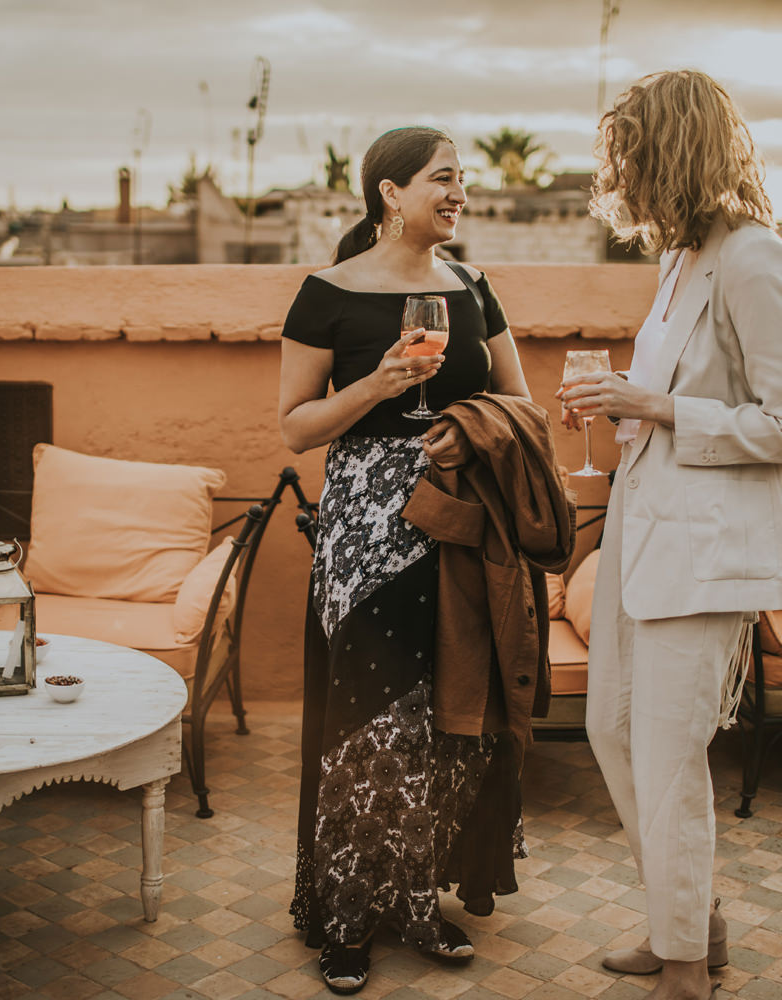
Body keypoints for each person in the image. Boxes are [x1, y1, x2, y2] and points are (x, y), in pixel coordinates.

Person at [558, 70, 782, 1000]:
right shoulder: (679, 261)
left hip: (707, 558)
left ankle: (683, 969)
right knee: (612, 731)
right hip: (641, 540)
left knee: (670, 760)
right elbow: (666, 409)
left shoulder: (756, 259)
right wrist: (622, 414)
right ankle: (692, 921)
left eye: (629, 154)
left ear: (673, 151)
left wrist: (657, 406)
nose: (618, 173)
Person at [278, 126, 535, 995]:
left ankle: (417, 900)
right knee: (366, 717)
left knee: (446, 715)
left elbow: (518, 401)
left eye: (462, 180)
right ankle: (347, 918)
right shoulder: (328, 294)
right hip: (363, 530)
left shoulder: (473, 287)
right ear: (390, 193)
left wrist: (463, 428)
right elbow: (294, 426)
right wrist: (376, 388)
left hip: (461, 520)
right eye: (444, 178)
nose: (459, 192)